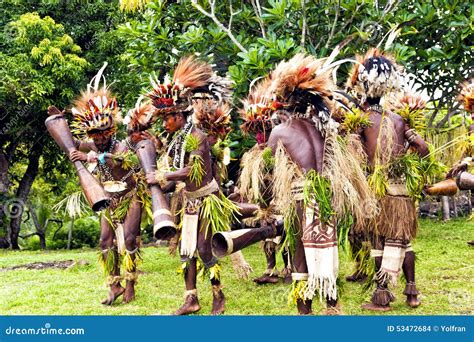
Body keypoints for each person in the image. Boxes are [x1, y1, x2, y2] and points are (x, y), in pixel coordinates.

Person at [264, 54, 371, 315]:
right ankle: (333, 310)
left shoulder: (280, 131)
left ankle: (306, 316)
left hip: (301, 200)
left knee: (300, 260)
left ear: (286, 102)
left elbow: (265, 172)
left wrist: (264, 206)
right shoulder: (323, 128)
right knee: (327, 253)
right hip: (326, 198)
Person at [145, 56, 238, 315]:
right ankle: (191, 299)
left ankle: (218, 295)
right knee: (187, 252)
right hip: (187, 201)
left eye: (167, 118)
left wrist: (163, 177)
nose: (165, 124)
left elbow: (192, 170)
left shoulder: (196, 137)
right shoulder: (177, 139)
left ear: (179, 114)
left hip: (206, 200)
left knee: (204, 249)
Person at [49, 64, 145, 305]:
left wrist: (96, 157)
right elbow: (72, 143)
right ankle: (115, 285)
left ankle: (131, 281)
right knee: (104, 241)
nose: (100, 138)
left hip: (130, 196)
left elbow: (124, 160)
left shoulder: (120, 146)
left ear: (111, 130)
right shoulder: (91, 144)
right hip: (109, 199)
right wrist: (58, 119)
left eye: (104, 134)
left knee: (131, 240)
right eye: (95, 134)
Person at [346, 48, 430, 311]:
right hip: (402, 189)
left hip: (378, 191)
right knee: (404, 239)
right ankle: (412, 292)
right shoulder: (397, 119)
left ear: (364, 88)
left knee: (379, 241)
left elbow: (355, 160)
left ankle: (381, 295)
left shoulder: (360, 121)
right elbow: (424, 150)